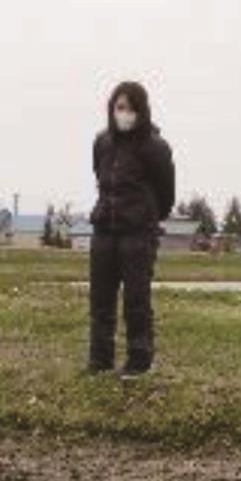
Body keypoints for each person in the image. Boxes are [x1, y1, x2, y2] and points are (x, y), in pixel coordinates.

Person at [87, 80, 175, 379]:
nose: (124, 113)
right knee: (101, 300)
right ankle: (100, 360)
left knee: (136, 300)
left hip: (138, 235)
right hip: (104, 233)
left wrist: (144, 218)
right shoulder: (102, 143)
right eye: (119, 107)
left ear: (142, 111)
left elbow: (166, 195)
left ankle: (139, 361)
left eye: (130, 108)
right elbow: (100, 177)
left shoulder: (155, 147)